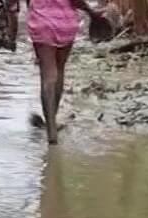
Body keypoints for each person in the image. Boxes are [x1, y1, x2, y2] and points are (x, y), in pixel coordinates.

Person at [25, 0, 104, 144]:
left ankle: (51, 132)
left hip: (41, 21)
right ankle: (52, 121)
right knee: (59, 69)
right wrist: (91, 12)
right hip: (66, 23)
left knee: (48, 76)